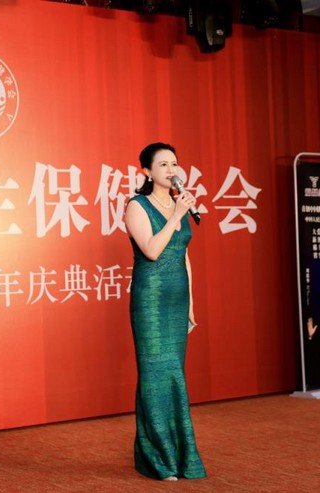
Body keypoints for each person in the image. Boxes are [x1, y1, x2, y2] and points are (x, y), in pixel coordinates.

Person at [123, 142, 206, 481]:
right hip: (151, 299)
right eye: (163, 165)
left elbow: (183, 255)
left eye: (174, 164)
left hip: (176, 298)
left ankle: (180, 454)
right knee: (155, 374)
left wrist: (190, 303)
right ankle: (157, 457)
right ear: (146, 171)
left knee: (174, 373)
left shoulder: (177, 203)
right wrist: (176, 215)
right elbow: (152, 250)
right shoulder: (137, 206)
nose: (172, 170)